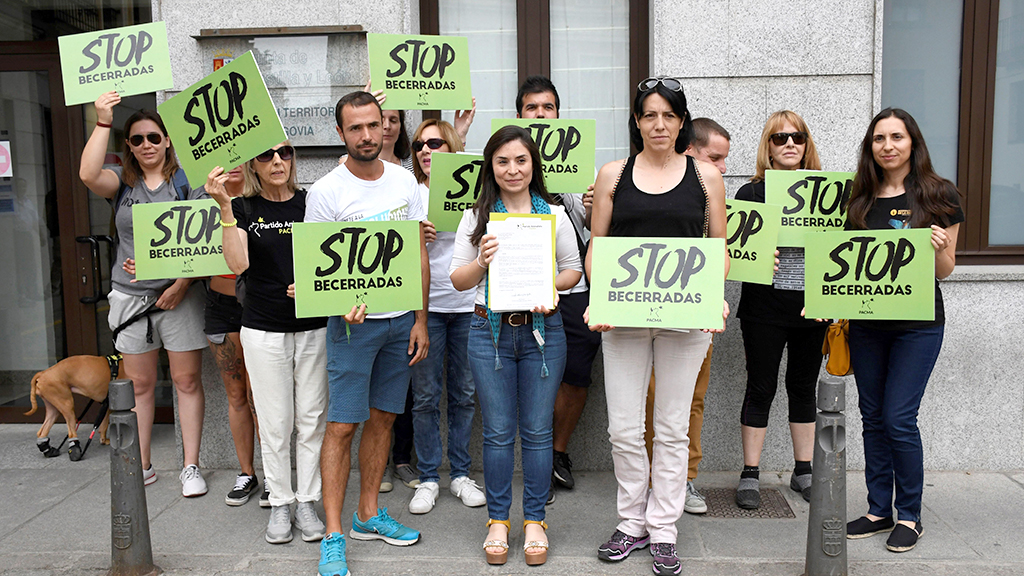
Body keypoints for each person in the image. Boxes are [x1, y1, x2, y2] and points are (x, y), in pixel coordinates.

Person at [587, 77, 729, 576]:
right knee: (624, 429)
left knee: (671, 428)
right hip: (623, 318)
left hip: (685, 319)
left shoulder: (707, 177)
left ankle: (663, 528)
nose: (659, 124)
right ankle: (632, 522)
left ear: (681, 121)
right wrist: (598, 297)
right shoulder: (613, 174)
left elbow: (718, 247)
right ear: (637, 121)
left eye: (669, 115)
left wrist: (713, 297)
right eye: (650, 115)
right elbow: (598, 246)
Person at [309, 91, 430, 576]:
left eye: (373, 125)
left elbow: (418, 253)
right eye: (355, 128)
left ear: (386, 127)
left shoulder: (405, 181)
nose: (366, 135)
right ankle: (333, 534)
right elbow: (319, 271)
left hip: (400, 323)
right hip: (351, 328)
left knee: (383, 420)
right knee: (342, 426)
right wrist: (340, 306)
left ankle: (367, 515)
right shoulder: (326, 191)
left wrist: (420, 319)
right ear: (340, 133)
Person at [450, 125, 582, 566]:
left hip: (544, 331)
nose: (512, 169)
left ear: (533, 165)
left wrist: (550, 287)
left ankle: (535, 521)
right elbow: (458, 279)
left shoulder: (554, 215)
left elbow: (573, 270)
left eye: (521, 160)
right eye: (503, 161)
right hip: (488, 332)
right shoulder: (476, 216)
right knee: (498, 432)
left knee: (539, 432)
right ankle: (498, 521)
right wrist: (482, 261)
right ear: (490, 166)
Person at [843, 108, 962, 553]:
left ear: (913, 142)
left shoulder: (939, 193)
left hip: (918, 326)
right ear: (870, 146)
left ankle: (910, 515)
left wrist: (938, 248)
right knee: (872, 417)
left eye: (896, 137)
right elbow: (846, 260)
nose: (887, 146)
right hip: (867, 325)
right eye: (879, 138)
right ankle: (879, 510)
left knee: (898, 418)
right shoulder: (859, 196)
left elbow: (946, 270)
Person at [79, 91, 207, 497]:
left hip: (181, 297)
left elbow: (205, 242)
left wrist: (181, 284)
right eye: (137, 139)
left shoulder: (187, 182)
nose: (147, 145)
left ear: (167, 140)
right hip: (131, 298)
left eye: (154, 137)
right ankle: (142, 464)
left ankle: (190, 466)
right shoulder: (122, 183)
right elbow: (87, 174)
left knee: (186, 381)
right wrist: (103, 119)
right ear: (129, 147)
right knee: (139, 385)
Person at [209, 142, 329, 545]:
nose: (277, 161)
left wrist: (313, 286)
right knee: (275, 423)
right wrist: (225, 208)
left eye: (285, 153)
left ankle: (307, 501)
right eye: (265, 155)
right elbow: (237, 264)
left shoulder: (312, 203)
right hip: (262, 329)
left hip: (314, 327)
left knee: (311, 419)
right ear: (253, 165)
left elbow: (331, 255)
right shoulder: (243, 208)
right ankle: (280, 502)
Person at [733, 110, 825, 510]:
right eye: (780, 137)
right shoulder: (751, 194)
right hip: (763, 308)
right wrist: (757, 255)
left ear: (807, 145)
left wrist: (832, 301)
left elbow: (839, 250)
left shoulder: (827, 194)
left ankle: (803, 469)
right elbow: (735, 252)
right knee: (761, 386)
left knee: (803, 387)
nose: (790, 143)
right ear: (767, 147)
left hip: (811, 307)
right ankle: (750, 472)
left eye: (798, 137)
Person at [515, 75, 601, 494]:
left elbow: (595, 231)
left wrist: (593, 207)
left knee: (577, 373)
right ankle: (535, 457)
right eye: (531, 108)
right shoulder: (508, 163)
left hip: (573, 287)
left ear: (558, 114)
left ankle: (556, 453)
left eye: (547, 107)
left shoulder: (581, 168)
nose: (540, 114)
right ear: (519, 116)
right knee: (531, 372)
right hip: (520, 286)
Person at [406, 119, 486, 515]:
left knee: (464, 394)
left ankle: (460, 474)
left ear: (452, 147)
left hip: (468, 306)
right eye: (419, 144)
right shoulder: (409, 193)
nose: (425, 150)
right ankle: (427, 478)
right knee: (424, 396)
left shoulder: (477, 192)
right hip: (426, 309)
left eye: (434, 143)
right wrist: (413, 239)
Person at [678, 117, 731, 515]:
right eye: (715, 157)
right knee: (653, 398)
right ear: (690, 150)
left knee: (693, 398)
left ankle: (685, 477)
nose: (724, 167)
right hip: (652, 310)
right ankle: (652, 480)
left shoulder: (714, 191)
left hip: (699, 310)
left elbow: (720, 249)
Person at [203, 165, 263, 507]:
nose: (234, 161)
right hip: (220, 306)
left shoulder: (262, 200)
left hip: (257, 306)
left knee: (260, 397)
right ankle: (246, 472)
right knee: (237, 394)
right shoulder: (201, 199)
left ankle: (272, 476)